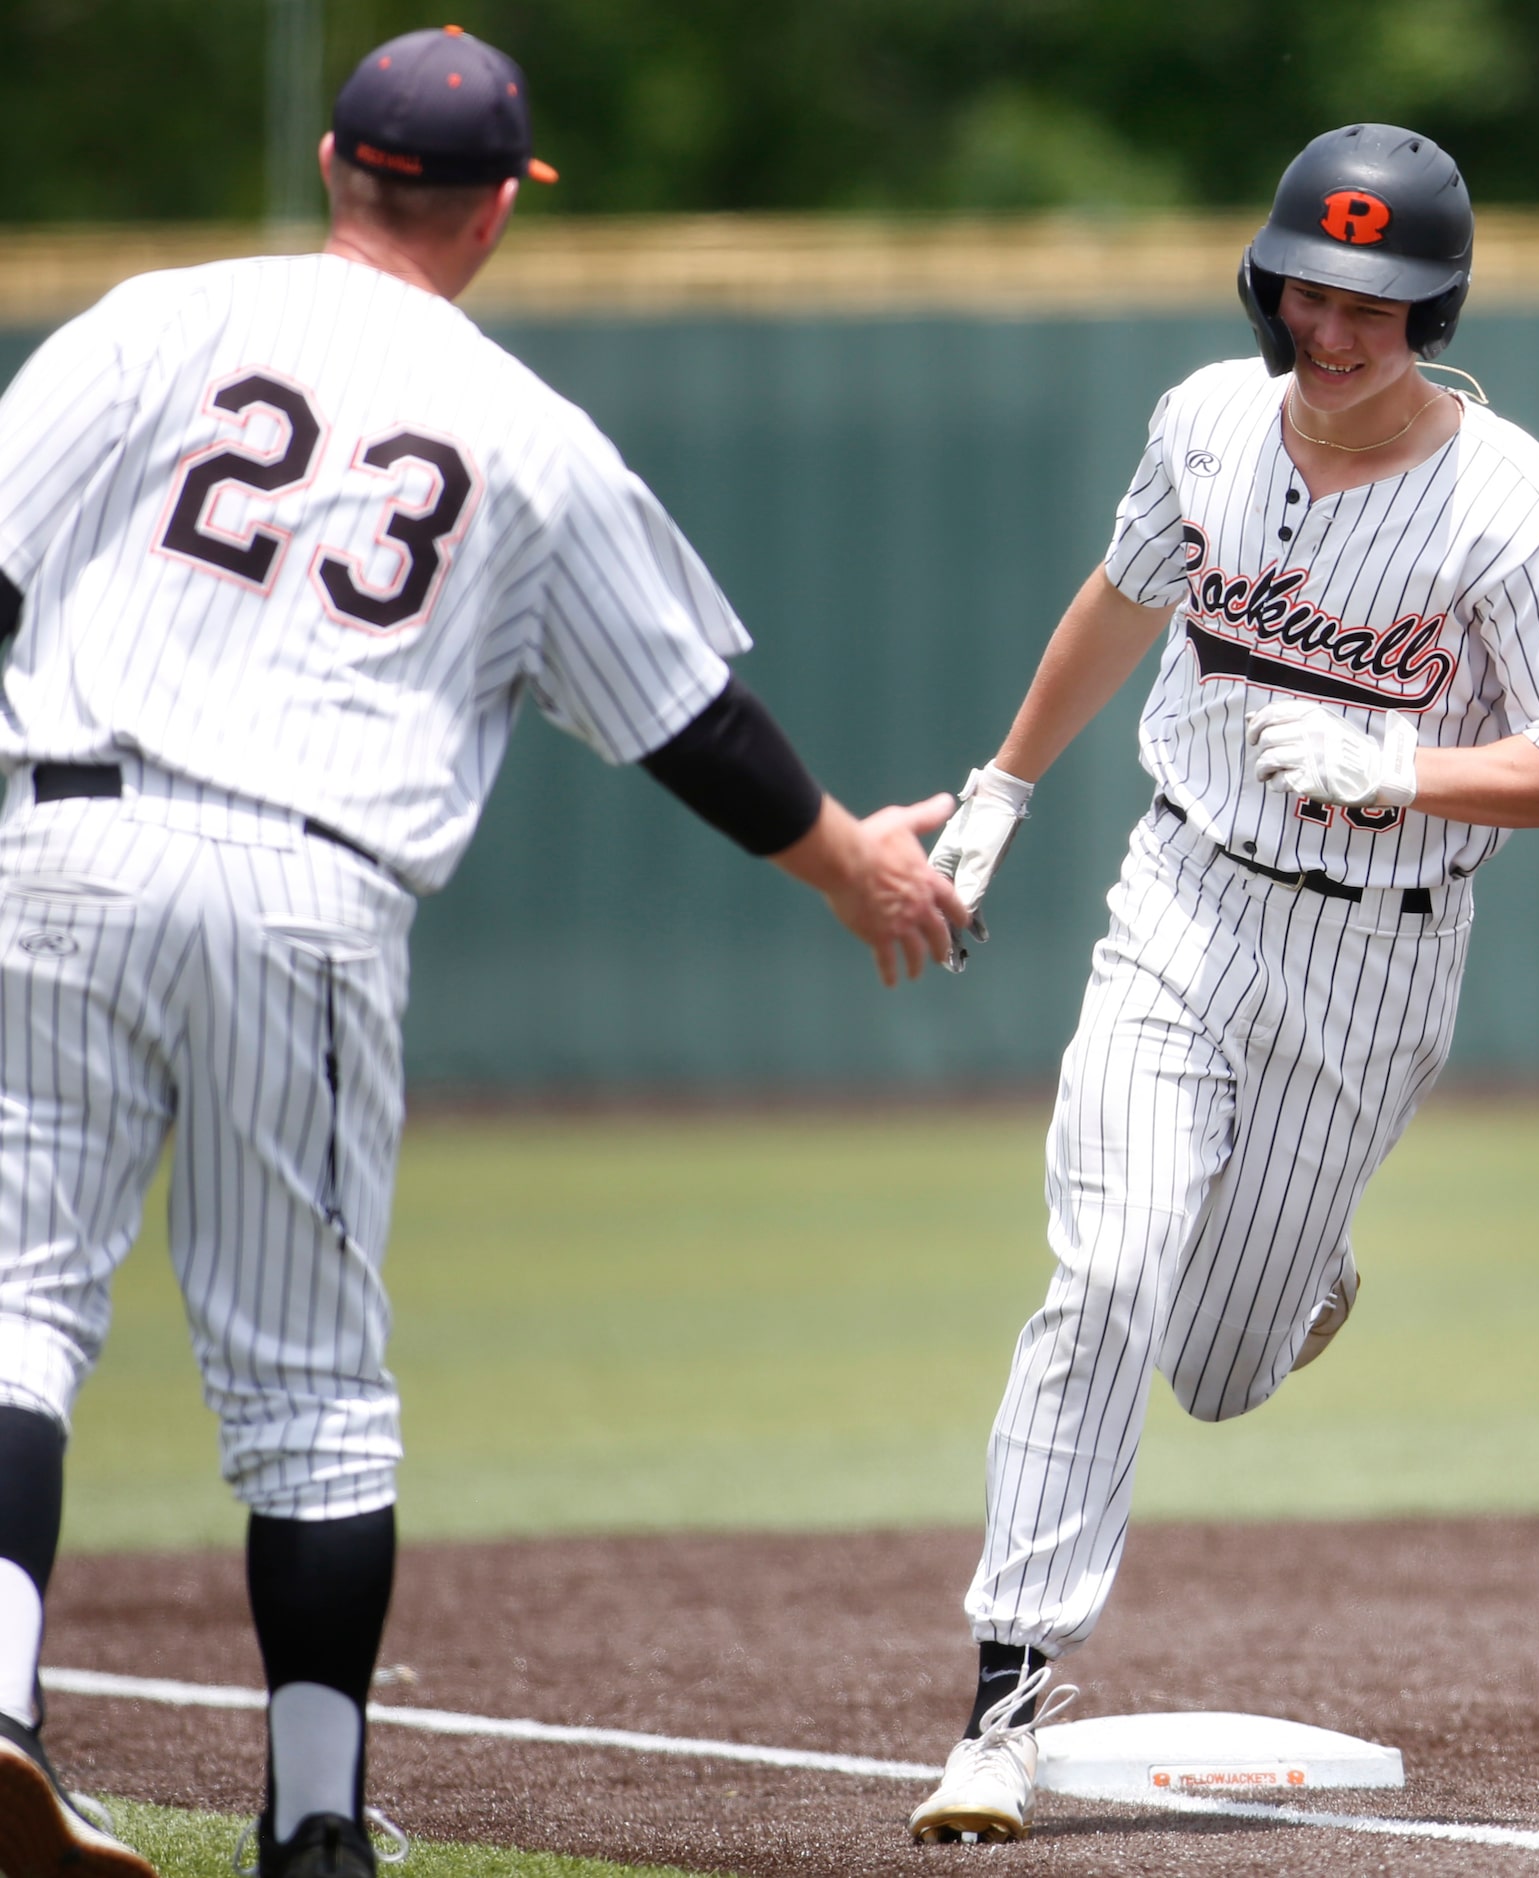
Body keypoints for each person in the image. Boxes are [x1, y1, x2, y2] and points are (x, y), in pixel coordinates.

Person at [0, 27, 969, 1878]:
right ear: (502, 211)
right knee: (307, 1389)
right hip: (311, 882)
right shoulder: (525, 433)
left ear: (331, 162)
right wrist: (862, 873)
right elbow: (690, 719)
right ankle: (312, 1830)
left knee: (15, 1300)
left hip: (68, 831)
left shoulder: (151, 321)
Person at [911, 121, 1539, 1845]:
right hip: (1177, 896)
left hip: (1378, 949)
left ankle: (1297, 1277)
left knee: (1224, 1366)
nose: (1332, 332)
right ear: (1266, 280)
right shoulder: (1202, 420)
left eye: (1375, 305)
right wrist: (1008, 785)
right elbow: (1121, 597)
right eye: (1308, 291)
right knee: (1102, 1275)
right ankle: (1005, 1706)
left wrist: (1406, 769)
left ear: (1438, 310)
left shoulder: (1520, 509)